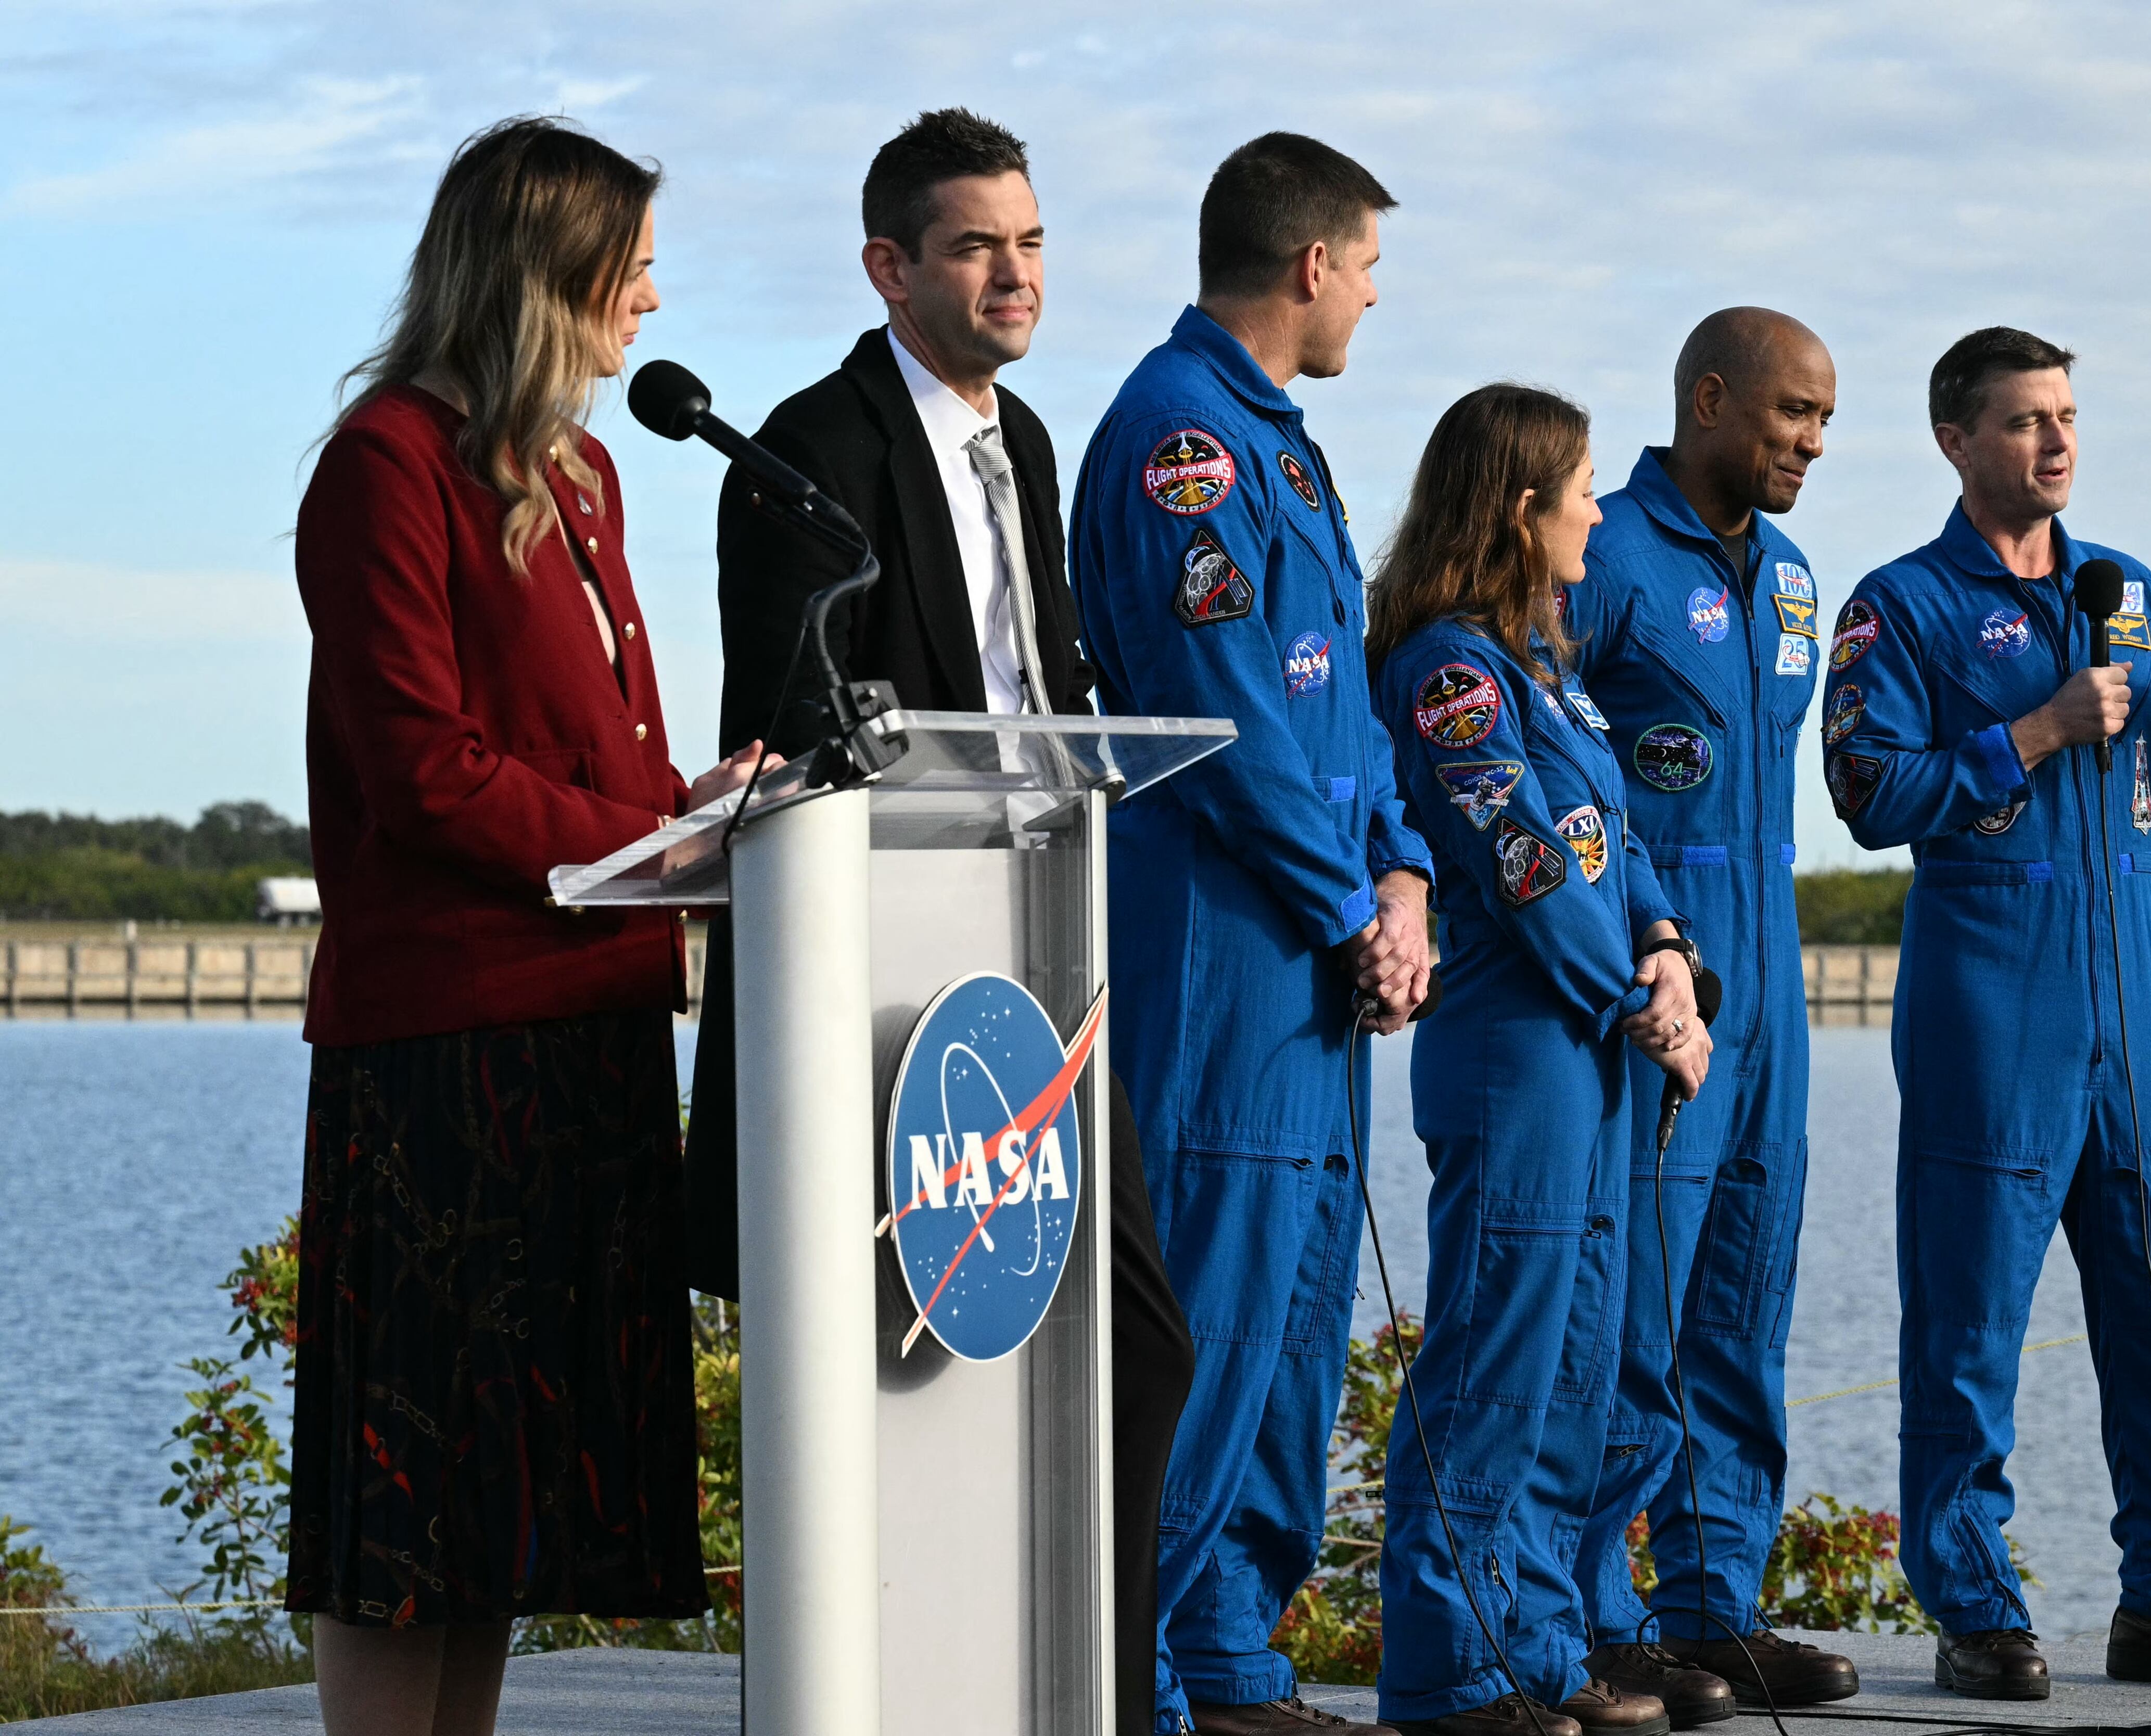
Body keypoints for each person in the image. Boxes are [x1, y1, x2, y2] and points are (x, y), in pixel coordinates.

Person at [680, 107, 1197, 1736]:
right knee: (889, 1372)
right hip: (881, 993)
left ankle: (1081, 1696)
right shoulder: (805, 455)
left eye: (1033, 242)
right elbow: (785, 722)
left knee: (1134, 1338)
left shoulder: (1025, 443)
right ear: (888, 266)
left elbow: (1036, 685)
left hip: (1035, 956)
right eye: (978, 246)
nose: (1016, 274)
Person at [288, 117, 769, 1736]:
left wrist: (702, 807)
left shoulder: (585, 471)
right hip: (445, 1054)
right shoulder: (387, 464)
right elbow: (423, 770)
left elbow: (585, 763)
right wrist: (652, 840)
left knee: (498, 1501)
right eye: (629, 268)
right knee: (410, 1496)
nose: (652, 296)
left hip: (590, 1030)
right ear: (543, 274)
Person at [1826, 327, 2151, 1699]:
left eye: (2067, 417)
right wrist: (2036, 731)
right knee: (1971, 1331)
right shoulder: (1902, 607)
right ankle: (1977, 1608)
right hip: (1993, 1014)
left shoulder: (2130, 596)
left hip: (2140, 1023)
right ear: (1956, 440)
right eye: (2025, 421)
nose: (2056, 443)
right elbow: (1866, 794)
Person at [1068, 132, 1435, 1736]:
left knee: (1291, 1324)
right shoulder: (1182, 443)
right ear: (1308, 267)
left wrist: (1408, 873)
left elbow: (1343, 710)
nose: (1368, 299)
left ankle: (1225, 1649)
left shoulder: (1282, 443)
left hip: (1319, 952)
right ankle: (1127, 1674)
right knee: (1206, 1323)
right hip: (1228, 947)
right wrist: (1354, 905)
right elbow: (1221, 725)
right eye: (1365, 268)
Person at [1368, 385, 1706, 1736]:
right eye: (1579, 489)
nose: (1600, 513)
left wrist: (1668, 953)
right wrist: (1636, 991)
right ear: (1521, 509)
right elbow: (1523, 868)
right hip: (1520, 1053)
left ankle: (1540, 1650)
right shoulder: (1453, 670)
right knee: (1494, 1364)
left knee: (1580, 1364)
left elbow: (1610, 854)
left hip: (1597, 1052)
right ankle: (1449, 1672)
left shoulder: (1547, 673)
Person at [1565, 309, 1862, 1717]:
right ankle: (1595, 1613)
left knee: (1742, 1305)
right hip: (1657, 992)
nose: (1809, 441)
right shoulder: (1606, 554)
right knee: (1637, 1306)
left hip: (1774, 996)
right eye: (1789, 413)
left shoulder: (1797, 581)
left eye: (1823, 420)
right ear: (1708, 399)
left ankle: (1712, 1606)